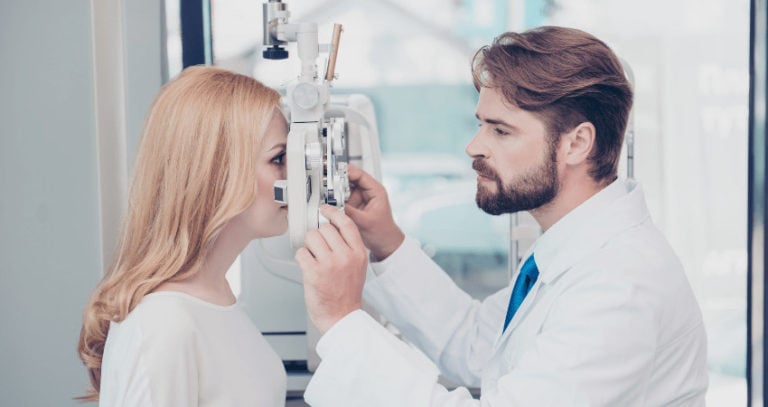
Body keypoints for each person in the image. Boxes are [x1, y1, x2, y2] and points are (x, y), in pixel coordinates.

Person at [295, 26, 708, 406]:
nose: (474, 146)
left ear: (576, 143)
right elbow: (475, 345)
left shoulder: (620, 288)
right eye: (481, 125)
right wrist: (386, 241)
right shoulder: (573, 247)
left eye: (501, 130)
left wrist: (342, 321)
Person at [77, 66, 289, 406]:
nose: (291, 176)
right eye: (278, 159)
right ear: (219, 172)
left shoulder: (215, 299)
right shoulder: (164, 323)